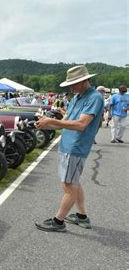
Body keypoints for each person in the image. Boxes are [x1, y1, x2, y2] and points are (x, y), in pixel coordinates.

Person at [34, 65, 103, 232]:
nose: (72, 88)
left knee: (69, 185)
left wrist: (51, 122)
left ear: (86, 80)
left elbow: (81, 125)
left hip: (75, 147)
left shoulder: (94, 97)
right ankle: (81, 216)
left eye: (75, 83)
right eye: (70, 84)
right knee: (73, 182)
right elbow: (66, 121)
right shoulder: (77, 97)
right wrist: (46, 123)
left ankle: (58, 222)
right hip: (68, 145)